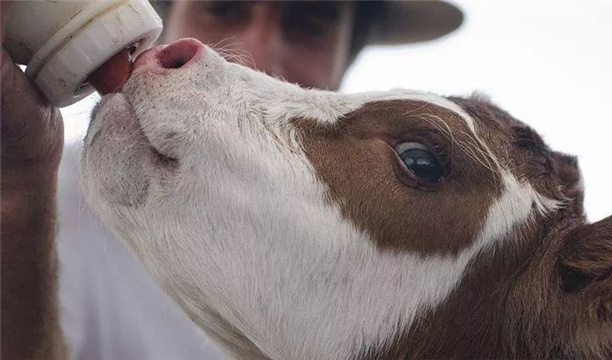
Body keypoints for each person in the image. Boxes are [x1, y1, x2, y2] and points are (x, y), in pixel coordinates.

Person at [1, 1, 463, 358]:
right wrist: (20, 193)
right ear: (158, 18)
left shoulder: (409, 274)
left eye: (309, 24)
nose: (256, 56)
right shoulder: (49, 199)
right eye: (223, 7)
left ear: (348, 56)